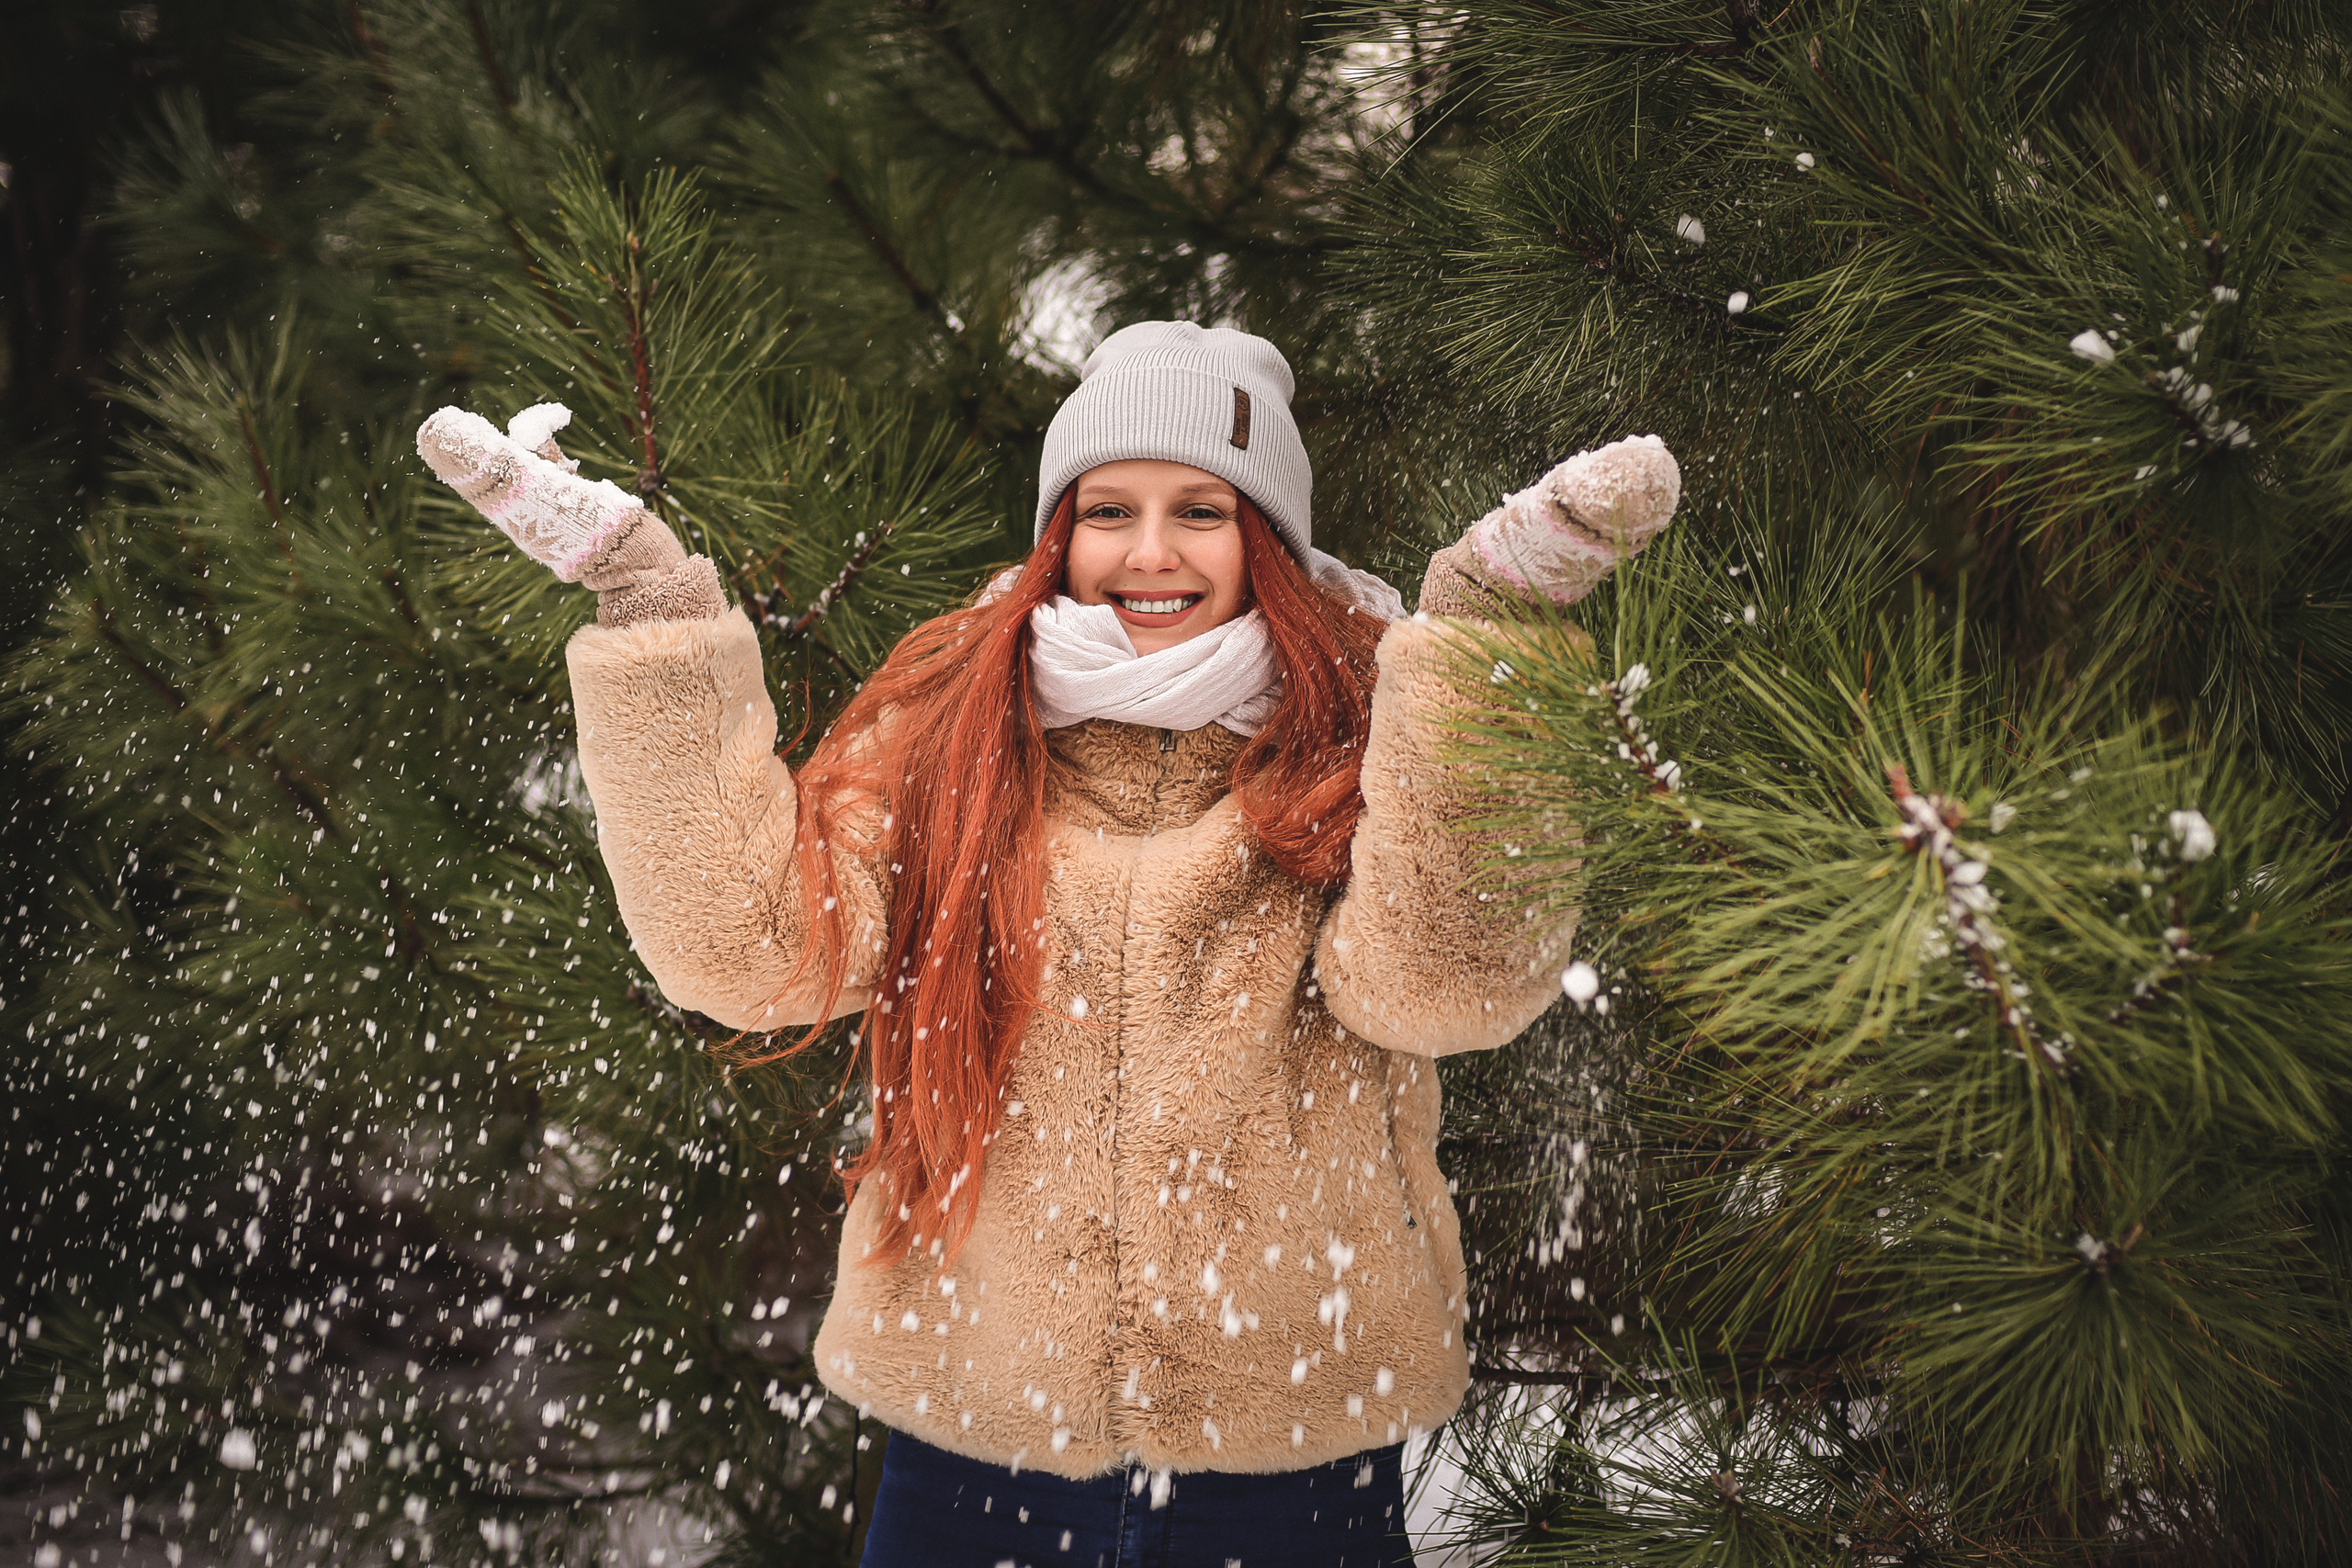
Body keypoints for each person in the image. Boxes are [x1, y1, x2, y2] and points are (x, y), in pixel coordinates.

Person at [417, 321, 1679, 1566]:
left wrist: (1484, 637)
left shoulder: (1356, 738)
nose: (1148, 552)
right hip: (976, 1441)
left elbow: (1440, 990)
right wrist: (654, 609)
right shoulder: (947, 736)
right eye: (1106, 509)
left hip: (1291, 1438)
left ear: (1269, 540)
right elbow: (751, 955)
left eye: (1202, 510)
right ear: (1057, 533)